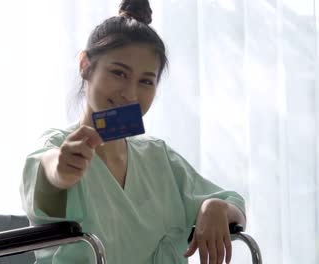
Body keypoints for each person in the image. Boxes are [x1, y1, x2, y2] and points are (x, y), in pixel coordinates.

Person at [20, 0, 246, 263]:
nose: (130, 94)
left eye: (146, 81)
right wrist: (61, 169)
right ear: (85, 65)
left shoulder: (158, 157)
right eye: (118, 73)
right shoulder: (57, 146)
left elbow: (235, 206)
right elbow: (47, 172)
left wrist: (215, 207)